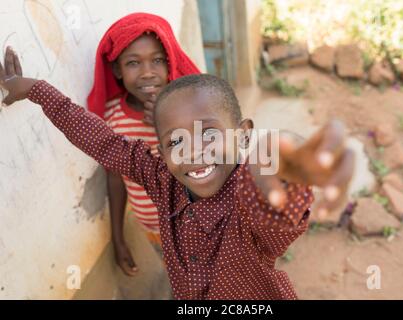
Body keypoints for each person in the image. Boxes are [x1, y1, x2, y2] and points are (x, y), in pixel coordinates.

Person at [0, 48, 354, 299]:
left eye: (210, 134)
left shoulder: (249, 201)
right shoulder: (162, 181)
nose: (193, 151)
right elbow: (104, 142)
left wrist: (285, 173)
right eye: (175, 141)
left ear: (244, 134)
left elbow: (279, 214)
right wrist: (35, 90)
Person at [87, 13, 200, 276]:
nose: (147, 73)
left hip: (201, 226)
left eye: (158, 60)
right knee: (183, 280)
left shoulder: (189, 108)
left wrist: (166, 126)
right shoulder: (113, 118)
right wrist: (118, 237)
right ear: (117, 70)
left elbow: (205, 168)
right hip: (155, 232)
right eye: (133, 63)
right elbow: (116, 179)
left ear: (170, 62)